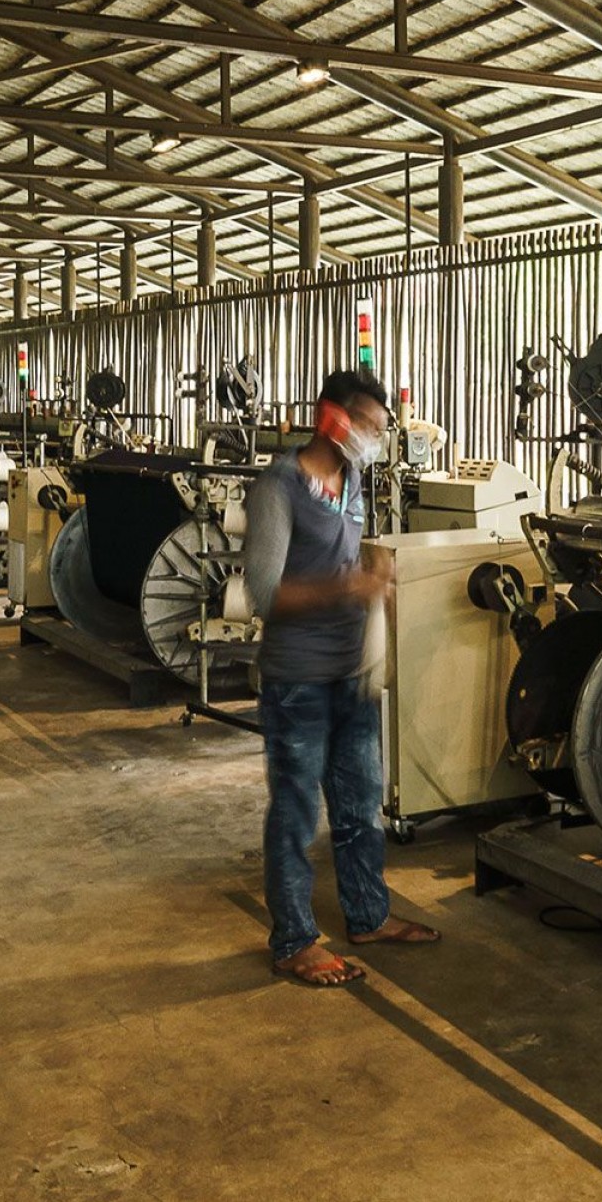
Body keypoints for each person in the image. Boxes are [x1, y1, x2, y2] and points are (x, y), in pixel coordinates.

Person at [242, 368, 441, 986]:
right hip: (297, 681)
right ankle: (294, 941)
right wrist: (348, 586)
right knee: (297, 813)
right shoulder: (279, 487)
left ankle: (367, 914)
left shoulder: (352, 478)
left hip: (350, 673)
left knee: (360, 808)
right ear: (334, 419)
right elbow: (264, 593)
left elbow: (344, 556)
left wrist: (373, 563)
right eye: (372, 428)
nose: (377, 441)